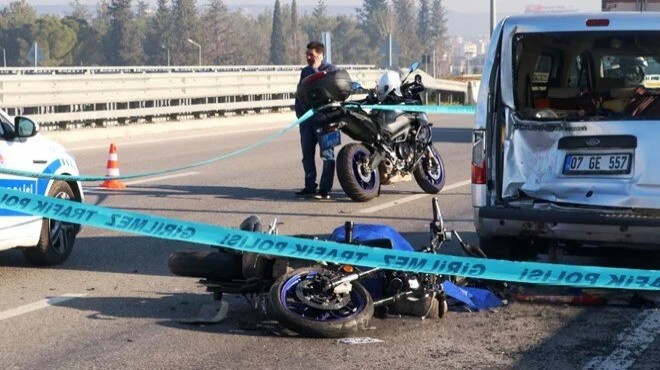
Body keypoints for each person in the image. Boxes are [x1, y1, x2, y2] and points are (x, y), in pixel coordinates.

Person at [294, 41, 337, 200]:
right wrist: (300, 114)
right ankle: (310, 186)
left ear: (320, 55)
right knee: (307, 156)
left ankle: (325, 189)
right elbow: (299, 93)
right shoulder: (304, 71)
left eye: (311, 54)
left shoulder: (331, 71)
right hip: (307, 122)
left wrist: (315, 71)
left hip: (325, 121)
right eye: (307, 54)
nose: (308, 57)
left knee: (327, 155)